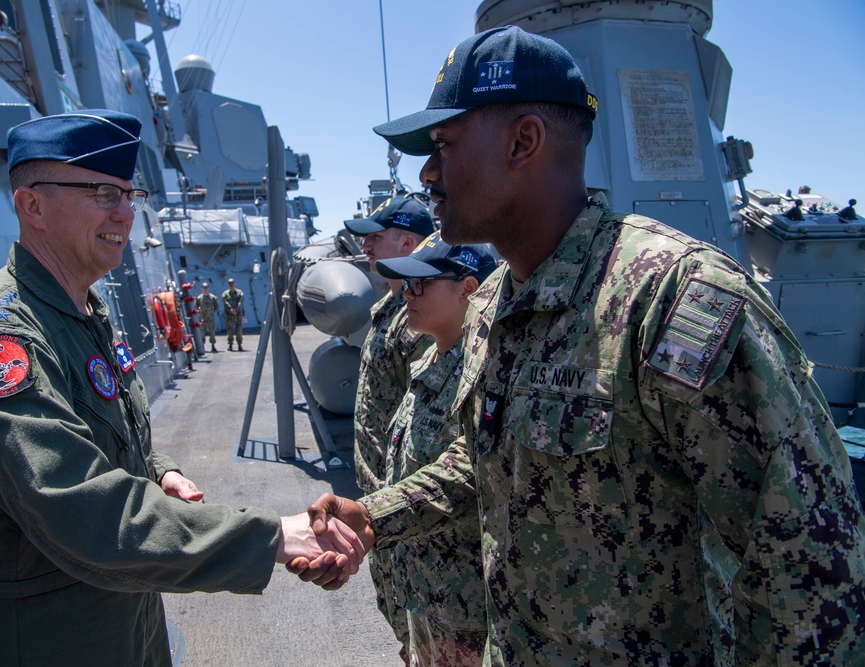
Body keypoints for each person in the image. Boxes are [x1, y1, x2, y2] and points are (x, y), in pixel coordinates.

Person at [303, 26, 865, 665]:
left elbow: (804, 561)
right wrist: (376, 515)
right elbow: (488, 458)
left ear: (523, 142)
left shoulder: (673, 297)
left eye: (443, 145)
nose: (427, 173)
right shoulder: (495, 306)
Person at [0, 109, 363, 666]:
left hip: (127, 611)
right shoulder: (0, 340)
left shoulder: (82, 311)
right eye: (103, 193)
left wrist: (158, 471)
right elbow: (82, 511)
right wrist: (272, 536)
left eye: (129, 195)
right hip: (49, 638)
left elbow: (101, 429)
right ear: (32, 206)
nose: (126, 213)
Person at [370, 233, 496, 666]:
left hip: (464, 607)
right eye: (406, 283)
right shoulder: (429, 363)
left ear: (468, 289)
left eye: (420, 283)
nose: (407, 293)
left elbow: (465, 475)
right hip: (421, 592)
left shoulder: (483, 376)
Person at [344, 195, 435, 661]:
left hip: (405, 494)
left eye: (375, 237)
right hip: (379, 488)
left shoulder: (423, 316)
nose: (365, 246)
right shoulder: (391, 306)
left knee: (420, 611)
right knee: (395, 602)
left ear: (407, 243)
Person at [221, 277, 244, 351]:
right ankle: (230, 344)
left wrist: (236, 309)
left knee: (239, 330)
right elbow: (225, 302)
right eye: (230, 283)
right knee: (229, 330)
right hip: (229, 315)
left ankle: (239, 344)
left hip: (238, 314)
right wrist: (231, 309)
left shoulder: (239, 292)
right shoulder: (225, 294)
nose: (231, 284)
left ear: (234, 283)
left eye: (232, 283)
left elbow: (241, 302)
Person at [196, 281, 219, 352]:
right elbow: (195, 307)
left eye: (206, 288)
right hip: (202, 318)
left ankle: (213, 346)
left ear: (208, 288)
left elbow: (216, 306)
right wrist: (199, 310)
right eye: (204, 288)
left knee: (212, 332)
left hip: (210, 318)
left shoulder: (213, 297)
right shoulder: (199, 298)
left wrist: (211, 312)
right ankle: (202, 347)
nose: (205, 289)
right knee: (202, 333)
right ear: (202, 289)